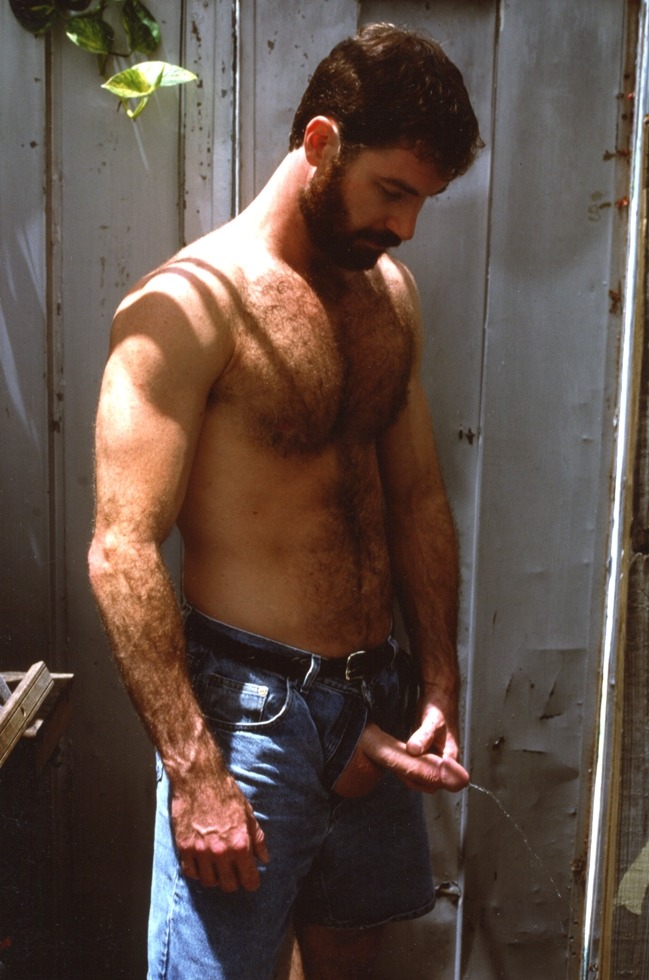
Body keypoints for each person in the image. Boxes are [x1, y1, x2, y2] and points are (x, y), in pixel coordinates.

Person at [88, 22, 482, 980]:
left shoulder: (388, 295)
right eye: (392, 191)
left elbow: (417, 499)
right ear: (320, 143)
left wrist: (438, 681)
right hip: (248, 719)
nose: (405, 227)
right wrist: (195, 772)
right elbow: (121, 549)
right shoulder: (185, 309)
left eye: (422, 201)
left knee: (349, 958)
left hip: (377, 697)